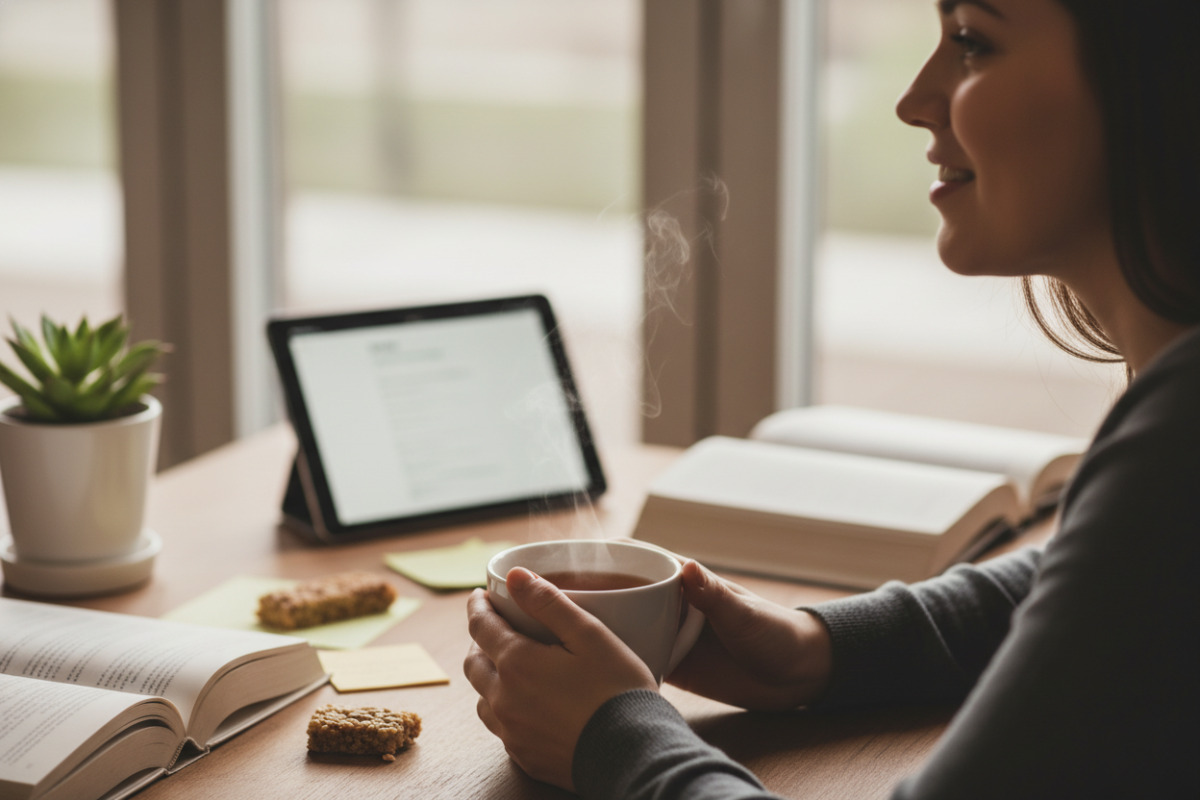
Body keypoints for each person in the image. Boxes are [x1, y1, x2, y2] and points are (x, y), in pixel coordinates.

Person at [463, 0, 1200, 796]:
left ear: (1163, 79)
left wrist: (616, 739)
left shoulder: (1177, 450)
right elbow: (1118, 593)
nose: (914, 98)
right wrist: (821, 648)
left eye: (971, 42)